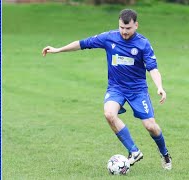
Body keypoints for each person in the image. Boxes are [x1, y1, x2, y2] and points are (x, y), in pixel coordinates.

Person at [41, 9, 172, 170]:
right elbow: (82, 43)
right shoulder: (109, 38)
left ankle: (165, 154)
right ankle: (134, 151)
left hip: (137, 90)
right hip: (116, 88)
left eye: (128, 28)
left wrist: (159, 87)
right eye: (121, 28)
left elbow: (153, 68)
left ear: (136, 25)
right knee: (109, 114)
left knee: (150, 126)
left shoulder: (143, 44)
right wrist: (58, 49)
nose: (124, 32)